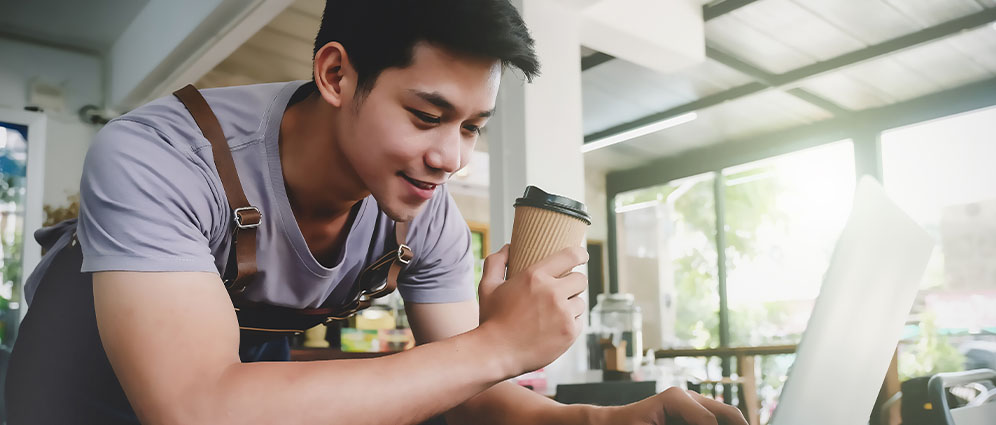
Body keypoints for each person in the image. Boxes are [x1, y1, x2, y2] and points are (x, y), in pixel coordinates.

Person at [6, 1, 748, 424]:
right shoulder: (159, 153)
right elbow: (199, 408)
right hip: (76, 393)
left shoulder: (423, 215)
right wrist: (500, 341)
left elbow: (479, 400)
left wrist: (618, 419)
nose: (452, 158)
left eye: (471, 126)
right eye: (427, 114)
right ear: (335, 73)